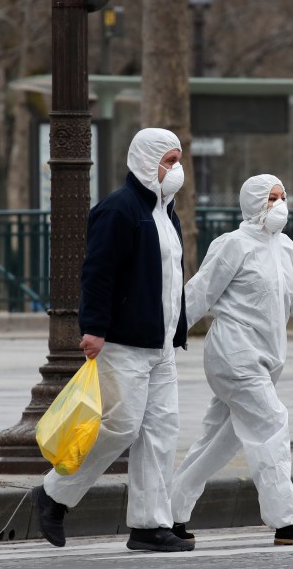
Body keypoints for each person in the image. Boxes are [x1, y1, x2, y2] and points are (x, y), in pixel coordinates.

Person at [170, 174, 293, 546]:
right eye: (271, 198)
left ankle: (169, 514)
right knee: (271, 423)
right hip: (233, 355)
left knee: (218, 441)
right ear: (253, 203)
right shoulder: (233, 245)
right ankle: (287, 521)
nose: (279, 204)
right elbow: (197, 295)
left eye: (282, 196)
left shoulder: (286, 247)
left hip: (266, 358)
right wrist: (162, 337)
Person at [31, 128, 195, 553]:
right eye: (169, 161)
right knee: (121, 427)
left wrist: (176, 333)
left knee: (161, 433)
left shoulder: (167, 213)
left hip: (160, 348)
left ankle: (149, 526)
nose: (176, 170)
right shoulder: (118, 210)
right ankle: (54, 494)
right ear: (145, 160)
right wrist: (94, 327)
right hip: (122, 343)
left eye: (178, 161)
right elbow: (97, 272)